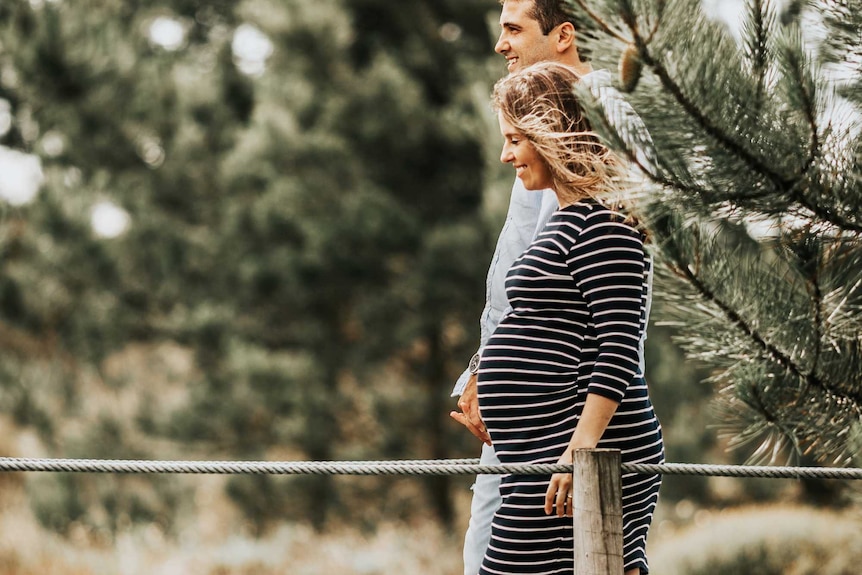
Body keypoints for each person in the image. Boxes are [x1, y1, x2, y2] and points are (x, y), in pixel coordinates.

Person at [472, 61, 664, 575]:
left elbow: (619, 348)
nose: (505, 155)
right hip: (540, 458)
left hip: (578, 458)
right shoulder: (570, 218)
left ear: (551, 134)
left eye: (516, 140)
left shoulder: (606, 223)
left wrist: (579, 451)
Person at [448, 2, 610, 574]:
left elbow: (610, 314)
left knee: (589, 554)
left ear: (563, 35)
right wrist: (484, 368)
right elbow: (516, 270)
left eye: (513, 29)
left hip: (565, 418)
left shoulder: (603, 130)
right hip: (518, 420)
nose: (501, 45)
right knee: (485, 549)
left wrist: (581, 439)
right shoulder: (536, 123)